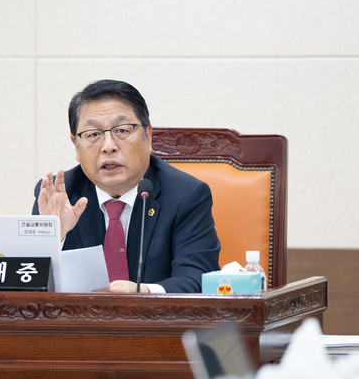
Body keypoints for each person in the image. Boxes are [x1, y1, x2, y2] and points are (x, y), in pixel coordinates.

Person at [32, 79, 220, 293]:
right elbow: (28, 282)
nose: (108, 146)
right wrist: (54, 238)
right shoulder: (58, 196)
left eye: (121, 131)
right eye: (93, 134)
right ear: (76, 146)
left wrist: (144, 293)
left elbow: (198, 280)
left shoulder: (186, 196)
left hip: (155, 315)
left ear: (148, 137)